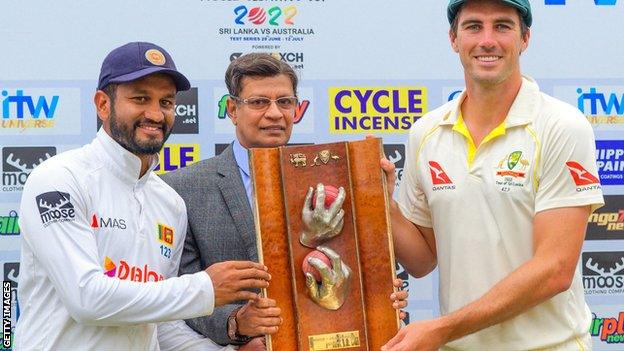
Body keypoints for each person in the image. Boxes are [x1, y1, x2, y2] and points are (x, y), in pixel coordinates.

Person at [14, 42, 271, 351]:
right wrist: (204, 288)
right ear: (102, 104)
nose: (155, 114)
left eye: (166, 102)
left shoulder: (169, 202)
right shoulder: (59, 178)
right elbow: (86, 298)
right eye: (140, 99)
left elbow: (162, 326)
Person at [381, 1, 604, 350]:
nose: (487, 40)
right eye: (473, 27)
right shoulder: (426, 132)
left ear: (525, 38)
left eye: (502, 26)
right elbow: (423, 259)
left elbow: (556, 269)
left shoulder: (561, 125)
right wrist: (384, 205)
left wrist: (443, 329)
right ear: (454, 39)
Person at [162, 53, 408, 350]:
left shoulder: (338, 175)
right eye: (259, 102)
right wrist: (237, 324)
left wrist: (379, 292)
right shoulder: (182, 188)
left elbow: (357, 263)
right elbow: (178, 290)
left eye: (285, 102)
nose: (275, 113)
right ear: (232, 109)